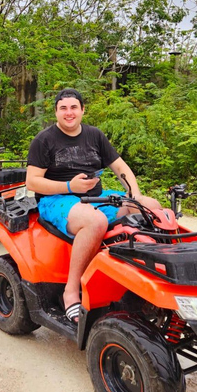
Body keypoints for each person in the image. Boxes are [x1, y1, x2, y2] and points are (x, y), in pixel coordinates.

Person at [26, 88, 162, 324]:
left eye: (73, 107)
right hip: (57, 199)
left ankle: (151, 276)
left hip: (96, 196)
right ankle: (71, 290)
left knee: (151, 207)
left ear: (82, 110)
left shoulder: (95, 135)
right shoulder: (44, 140)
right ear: (56, 112)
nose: (69, 113)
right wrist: (70, 186)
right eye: (63, 108)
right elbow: (32, 181)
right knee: (95, 221)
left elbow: (121, 168)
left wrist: (135, 196)